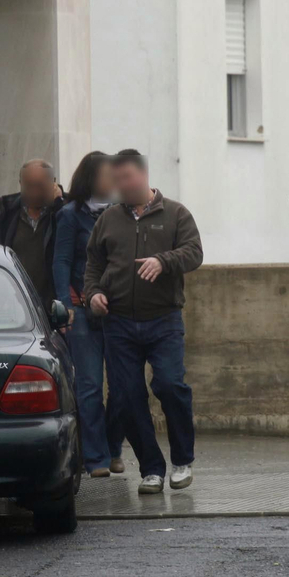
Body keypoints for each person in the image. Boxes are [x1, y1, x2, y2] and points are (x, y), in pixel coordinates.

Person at [83, 150, 203, 494]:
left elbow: (194, 252)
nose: (121, 186)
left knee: (169, 385)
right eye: (115, 180)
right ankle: (151, 468)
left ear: (143, 176)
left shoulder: (176, 213)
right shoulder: (108, 219)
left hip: (163, 319)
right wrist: (93, 295)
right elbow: (93, 263)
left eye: (126, 178)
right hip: (118, 322)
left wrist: (164, 261)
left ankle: (182, 460)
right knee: (126, 397)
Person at [53, 152, 128, 478]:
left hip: (119, 311)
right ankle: (95, 458)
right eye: (107, 175)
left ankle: (114, 448)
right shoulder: (70, 215)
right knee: (89, 387)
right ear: (90, 179)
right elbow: (61, 262)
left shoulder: (121, 213)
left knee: (125, 388)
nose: (114, 181)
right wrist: (65, 306)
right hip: (82, 312)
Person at [0, 159, 65, 304]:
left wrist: (58, 204)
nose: (34, 192)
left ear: (53, 183)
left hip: (54, 303)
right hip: (16, 303)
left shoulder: (63, 213)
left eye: (39, 186)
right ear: (21, 183)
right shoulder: (8, 215)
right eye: (28, 186)